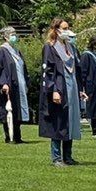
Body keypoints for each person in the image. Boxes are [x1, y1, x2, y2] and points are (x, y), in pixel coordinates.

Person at [38, 19, 86, 167]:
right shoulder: (50, 47)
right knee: (58, 122)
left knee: (70, 121)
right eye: (64, 28)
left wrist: (80, 90)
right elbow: (48, 71)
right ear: (56, 30)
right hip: (59, 88)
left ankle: (68, 156)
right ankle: (57, 158)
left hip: (71, 88)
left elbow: (77, 69)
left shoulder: (71, 47)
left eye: (68, 27)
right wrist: (53, 91)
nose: (67, 30)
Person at [0, 26, 28, 145]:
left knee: (17, 111)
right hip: (8, 86)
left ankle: (18, 137)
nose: (15, 36)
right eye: (12, 34)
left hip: (18, 85)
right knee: (8, 110)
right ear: (5, 36)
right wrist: (4, 83)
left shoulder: (16, 50)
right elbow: (0, 69)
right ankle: (9, 137)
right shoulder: (2, 51)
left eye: (15, 34)